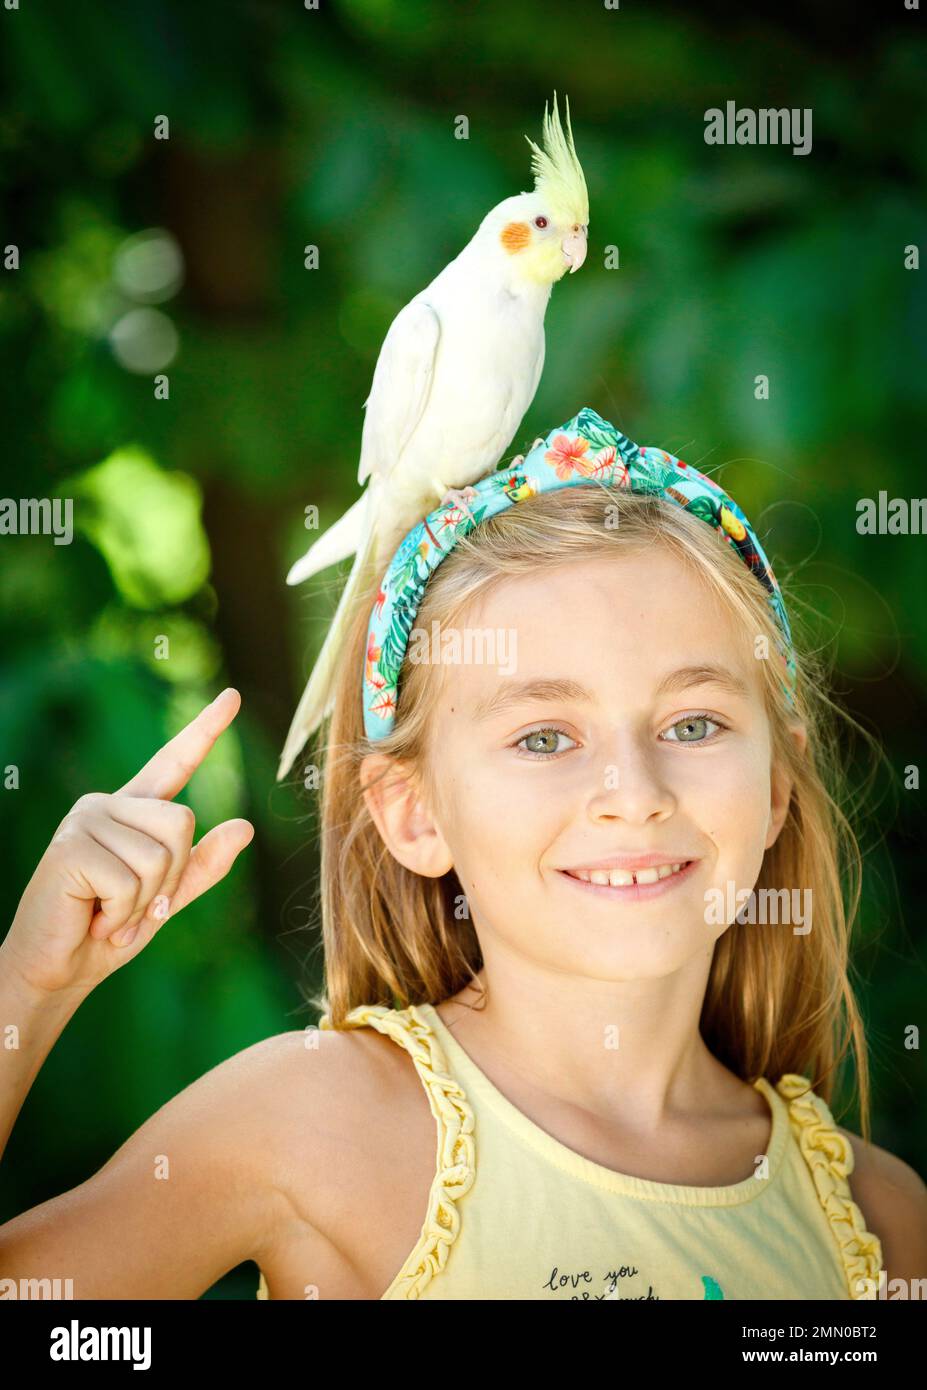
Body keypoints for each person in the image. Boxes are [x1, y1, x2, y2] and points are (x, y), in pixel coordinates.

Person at [1, 408, 925, 1301]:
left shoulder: (882, 1223)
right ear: (413, 814)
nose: (634, 793)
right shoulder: (313, 1122)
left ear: (774, 787)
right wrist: (26, 989)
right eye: (542, 738)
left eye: (692, 723)